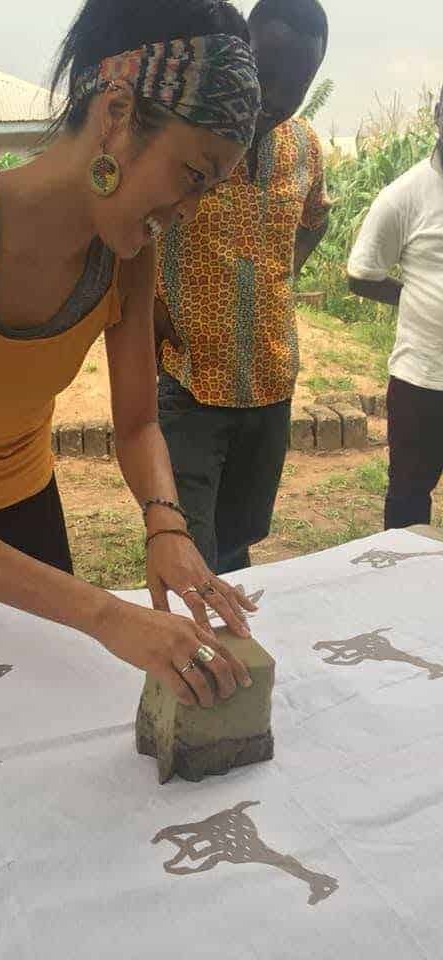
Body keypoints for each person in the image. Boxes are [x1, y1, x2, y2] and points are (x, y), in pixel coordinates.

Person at [0, 0, 263, 708]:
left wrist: (166, 526)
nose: (187, 210)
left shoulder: (129, 254)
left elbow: (136, 423)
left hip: (27, 513)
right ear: (119, 113)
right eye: (192, 175)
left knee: (37, 723)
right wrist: (105, 613)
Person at [154, 0, 329, 574]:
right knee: (190, 553)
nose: (275, 98)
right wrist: (148, 311)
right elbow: (130, 228)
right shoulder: (184, 135)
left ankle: (235, 657)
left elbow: (313, 222)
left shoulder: (304, 148)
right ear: (240, 53)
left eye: (296, 85)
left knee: (239, 544)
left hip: (270, 383)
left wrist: (281, 275)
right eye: (265, 73)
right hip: (190, 383)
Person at [347, 86, 443, 531]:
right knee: (408, 497)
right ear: (439, 116)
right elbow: (362, 275)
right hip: (421, 380)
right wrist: (417, 299)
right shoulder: (404, 196)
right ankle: (405, 595)